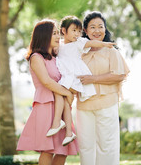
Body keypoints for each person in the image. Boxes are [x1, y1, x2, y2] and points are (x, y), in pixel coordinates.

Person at [46, 15, 116, 146]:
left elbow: (92, 43)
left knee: (58, 92)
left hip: (74, 77)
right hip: (66, 76)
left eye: (79, 31)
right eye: (74, 30)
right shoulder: (59, 45)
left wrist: (105, 44)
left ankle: (57, 122)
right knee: (66, 103)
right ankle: (68, 133)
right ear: (63, 31)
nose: (77, 34)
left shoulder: (79, 43)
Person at [16, 19, 78, 165]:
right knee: (48, 150)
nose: (58, 37)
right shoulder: (36, 57)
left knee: (64, 150)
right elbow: (47, 81)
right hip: (45, 105)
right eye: (54, 33)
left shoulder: (57, 59)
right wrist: (68, 94)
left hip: (61, 107)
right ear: (44, 36)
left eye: (58, 33)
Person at [76, 11, 130, 165]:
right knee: (86, 146)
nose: (97, 30)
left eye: (100, 26)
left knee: (107, 145)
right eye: (92, 27)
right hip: (83, 105)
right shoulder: (79, 53)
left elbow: (119, 75)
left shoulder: (111, 51)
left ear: (105, 29)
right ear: (85, 31)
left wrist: (93, 79)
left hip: (107, 103)